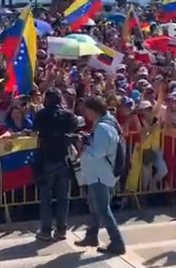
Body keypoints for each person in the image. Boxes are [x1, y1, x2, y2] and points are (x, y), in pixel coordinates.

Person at [74, 96, 126, 255]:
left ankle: (117, 242)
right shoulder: (108, 122)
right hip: (100, 172)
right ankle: (92, 235)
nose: (85, 114)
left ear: (92, 110)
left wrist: (82, 145)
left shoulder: (103, 127)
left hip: (100, 173)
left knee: (102, 208)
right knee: (95, 204)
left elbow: (98, 152)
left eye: (86, 110)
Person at [33, 88, 78, 241]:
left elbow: (35, 128)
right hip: (63, 158)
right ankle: (62, 229)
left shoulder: (41, 114)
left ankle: (45, 230)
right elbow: (75, 125)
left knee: (45, 196)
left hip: (46, 158)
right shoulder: (67, 115)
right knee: (63, 197)